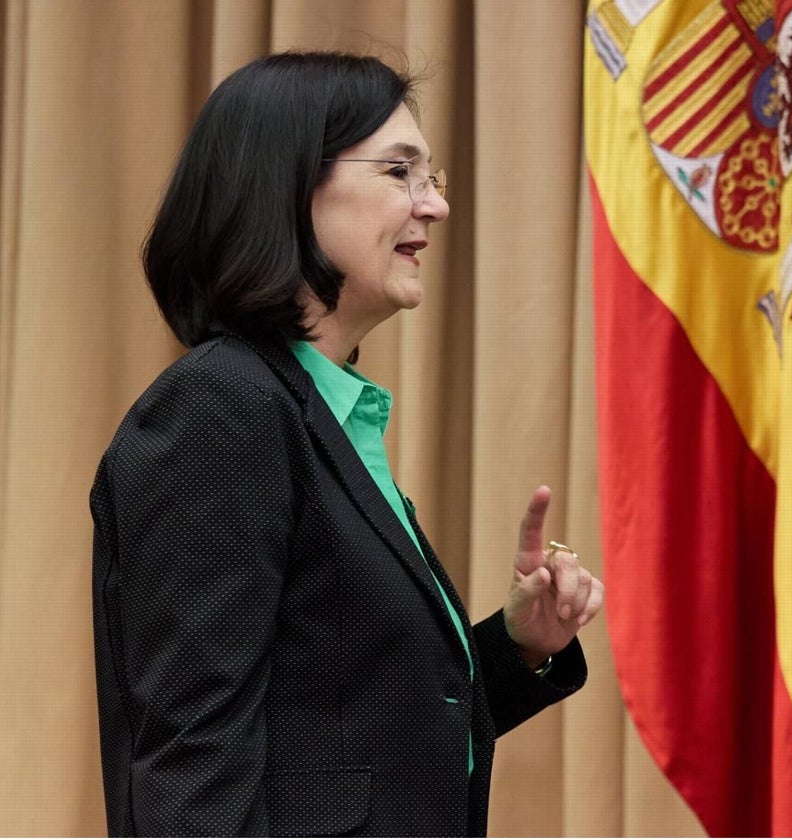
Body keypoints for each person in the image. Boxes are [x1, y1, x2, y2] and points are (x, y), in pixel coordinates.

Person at [89, 51, 603, 837]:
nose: (435, 208)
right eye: (401, 172)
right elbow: (195, 767)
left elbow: (359, 738)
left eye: (430, 179)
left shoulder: (314, 411)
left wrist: (517, 645)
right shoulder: (220, 409)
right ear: (288, 184)